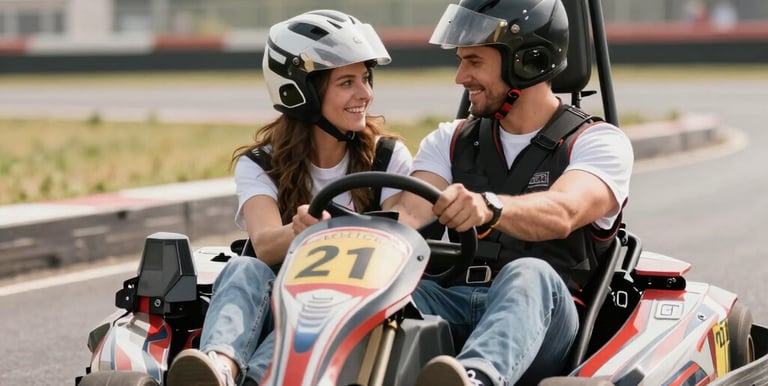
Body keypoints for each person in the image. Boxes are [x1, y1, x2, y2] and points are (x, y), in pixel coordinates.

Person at [296, 0, 634, 385]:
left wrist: (489, 207)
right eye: (460, 61)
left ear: (528, 61)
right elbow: (408, 216)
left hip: (547, 322)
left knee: (529, 272)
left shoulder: (598, 142)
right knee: (383, 292)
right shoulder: (449, 140)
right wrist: (333, 228)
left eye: (473, 62)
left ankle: (475, 379)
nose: (460, 77)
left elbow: (564, 212)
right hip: (456, 300)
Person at [165, 9, 412, 386]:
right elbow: (263, 245)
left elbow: (404, 237)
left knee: (314, 308)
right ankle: (219, 367)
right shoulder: (260, 164)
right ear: (302, 93)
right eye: (347, 82)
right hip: (273, 300)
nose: (365, 94)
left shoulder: (388, 157)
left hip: (356, 307)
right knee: (244, 267)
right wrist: (300, 231)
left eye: (365, 79)